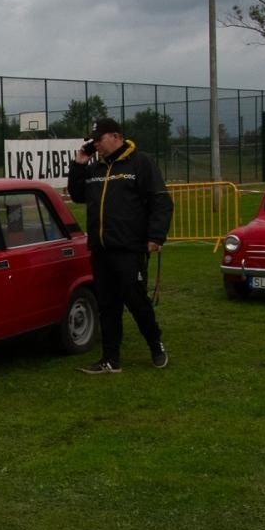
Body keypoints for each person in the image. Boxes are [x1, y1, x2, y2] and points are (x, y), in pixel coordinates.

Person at [66, 117, 174, 373]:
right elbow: (78, 194)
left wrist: (155, 237)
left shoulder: (140, 162)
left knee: (136, 301)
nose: (97, 145)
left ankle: (155, 346)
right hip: (101, 249)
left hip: (129, 248)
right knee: (107, 305)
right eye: (93, 141)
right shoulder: (96, 168)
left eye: (99, 140)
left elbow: (161, 201)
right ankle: (110, 359)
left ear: (115, 136)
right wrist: (80, 162)